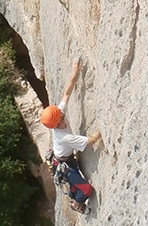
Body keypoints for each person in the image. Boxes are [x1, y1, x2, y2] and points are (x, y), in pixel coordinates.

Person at [41, 60, 103, 213]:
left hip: (64, 161)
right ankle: (76, 205)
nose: (62, 112)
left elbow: (66, 93)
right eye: (61, 115)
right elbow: (90, 141)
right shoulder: (64, 137)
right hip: (66, 167)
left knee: (76, 187)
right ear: (59, 120)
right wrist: (103, 128)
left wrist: (75, 71)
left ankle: (73, 194)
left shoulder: (58, 118)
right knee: (86, 190)